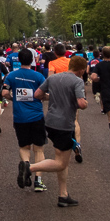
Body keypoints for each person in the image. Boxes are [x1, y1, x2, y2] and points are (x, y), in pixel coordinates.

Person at [29, 56, 89, 207]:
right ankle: (29, 168)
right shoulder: (77, 81)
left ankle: (63, 195)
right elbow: (81, 104)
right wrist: (84, 103)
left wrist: (52, 97)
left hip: (50, 121)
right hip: (64, 124)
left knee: (61, 158)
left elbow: (37, 95)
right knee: (61, 163)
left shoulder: (53, 78)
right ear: (81, 69)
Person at [3, 49, 48, 192]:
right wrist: (42, 98)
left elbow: (4, 92)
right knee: (39, 148)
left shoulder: (11, 75)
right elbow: (45, 94)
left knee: (24, 147)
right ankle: (38, 181)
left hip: (20, 117)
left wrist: (13, 98)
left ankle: (26, 165)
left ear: (19, 60)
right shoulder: (38, 76)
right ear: (32, 60)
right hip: (36, 116)